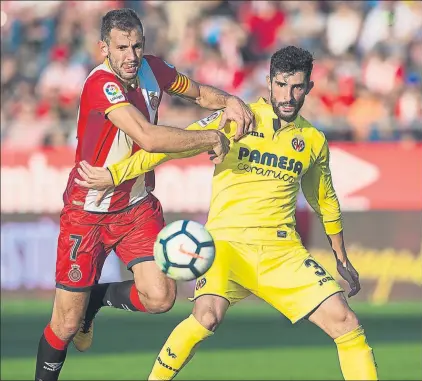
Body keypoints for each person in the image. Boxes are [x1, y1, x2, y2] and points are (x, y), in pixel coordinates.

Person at [74, 46, 379, 381]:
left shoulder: (313, 140)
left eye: (296, 87)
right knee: (206, 317)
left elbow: (325, 200)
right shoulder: (237, 116)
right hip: (226, 245)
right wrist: (116, 173)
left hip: (281, 251)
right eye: (280, 85)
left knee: (346, 323)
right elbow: (166, 148)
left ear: (308, 87)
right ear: (268, 82)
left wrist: (340, 255)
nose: (287, 95)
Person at [34, 8, 254, 381]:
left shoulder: (154, 69)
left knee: (161, 297)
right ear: (104, 48)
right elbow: (148, 139)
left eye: (136, 45)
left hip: (135, 206)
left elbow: (199, 93)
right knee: (65, 324)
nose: (131, 56)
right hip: (87, 209)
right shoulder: (101, 85)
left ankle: (97, 299)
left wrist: (229, 100)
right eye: (122, 47)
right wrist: (209, 137)